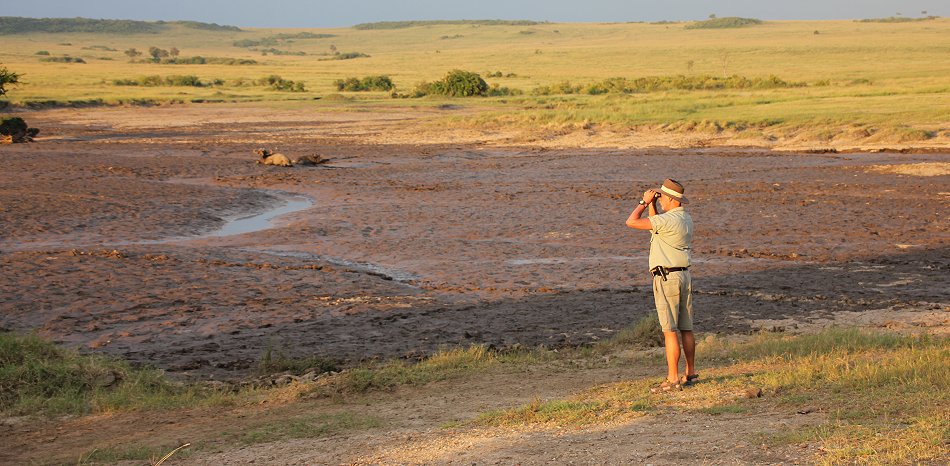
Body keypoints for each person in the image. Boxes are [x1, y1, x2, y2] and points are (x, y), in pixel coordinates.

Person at [625, 178, 697, 393]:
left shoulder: (668, 220)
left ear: (670, 198)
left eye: (662, 197)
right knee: (687, 328)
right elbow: (655, 227)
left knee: (669, 330)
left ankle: (673, 378)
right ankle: (690, 372)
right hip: (684, 276)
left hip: (667, 277)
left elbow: (631, 222)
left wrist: (643, 202)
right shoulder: (685, 219)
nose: (661, 200)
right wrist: (654, 206)